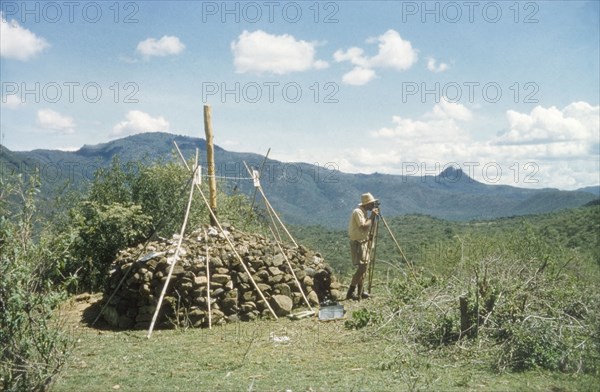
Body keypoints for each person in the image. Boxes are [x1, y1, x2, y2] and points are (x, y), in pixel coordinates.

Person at [346, 192, 379, 300]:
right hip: (358, 243)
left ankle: (360, 291)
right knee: (362, 268)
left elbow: (369, 225)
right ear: (367, 204)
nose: (373, 205)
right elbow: (364, 226)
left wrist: (373, 218)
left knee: (365, 267)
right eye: (371, 203)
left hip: (364, 242)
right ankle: (351, 291)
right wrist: (372, 216)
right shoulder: (358, 212)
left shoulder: (364, 212)